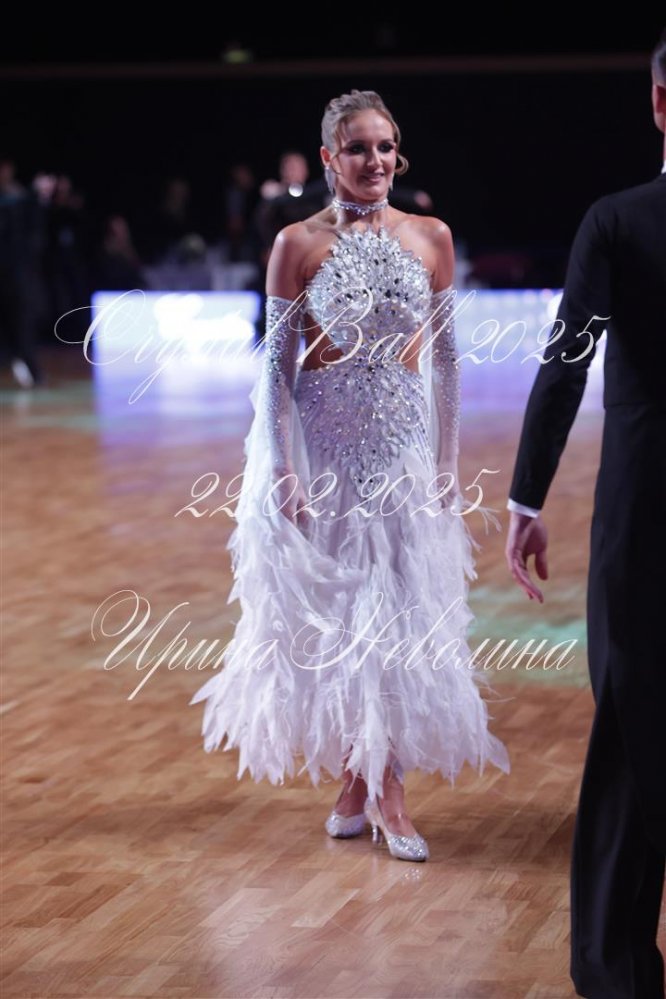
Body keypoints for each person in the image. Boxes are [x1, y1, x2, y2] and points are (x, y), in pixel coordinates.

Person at [191, 89, 509, 863]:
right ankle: (353, 774)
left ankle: (388, 786)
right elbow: (276, 367)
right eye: (359, 148)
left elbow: (446, 358)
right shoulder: (295, 243)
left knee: (398, 612)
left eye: (386, 146)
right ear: (330, 158)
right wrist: (284, 467)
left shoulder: (431, 235)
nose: (376, 161)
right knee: (335, 615)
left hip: (402, 451)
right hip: (324, 448)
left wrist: (446, 462)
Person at [505, 31, 666, 999]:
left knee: (631, 722)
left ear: (658, 103)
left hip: (645, 511)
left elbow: (566, 363)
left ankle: (616, 969)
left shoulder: (616, 220)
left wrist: (526, 497)